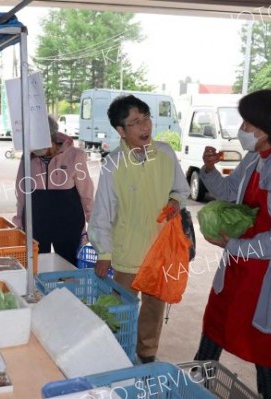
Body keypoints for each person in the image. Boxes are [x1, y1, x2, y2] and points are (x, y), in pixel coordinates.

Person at [194, 89, 271, 398]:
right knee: (214, 325)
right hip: (238, 265)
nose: (243, 130)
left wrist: (236, 246)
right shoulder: (254, 158)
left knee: (264, 343)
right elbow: (229, 190)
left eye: (249, 124)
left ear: (267, 130)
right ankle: (194, 388)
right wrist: (208, 171)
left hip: (266, 274)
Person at [88, 95, 189, 364]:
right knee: (122, 310)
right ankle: (118, 355)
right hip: (127, 252)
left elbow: (182, 188)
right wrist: (104, 253)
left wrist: (175, 201)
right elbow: (103, 212)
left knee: (154, 310)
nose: (144, 127)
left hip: (160, 251)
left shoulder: (166, 152)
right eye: (134, 122)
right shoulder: (113, 163)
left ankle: (147, 356)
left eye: (145, 119)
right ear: (121, 131)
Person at [13, 115, 94, 266]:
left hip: (68, 223)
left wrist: (92, 222)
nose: (34, 147)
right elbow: (21, 191)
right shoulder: (28, 157)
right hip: (35, 223)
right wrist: (18, 222)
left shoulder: (75, 156)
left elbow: (86, 192)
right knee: (36, 269)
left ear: (50, 137)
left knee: (67, 268)